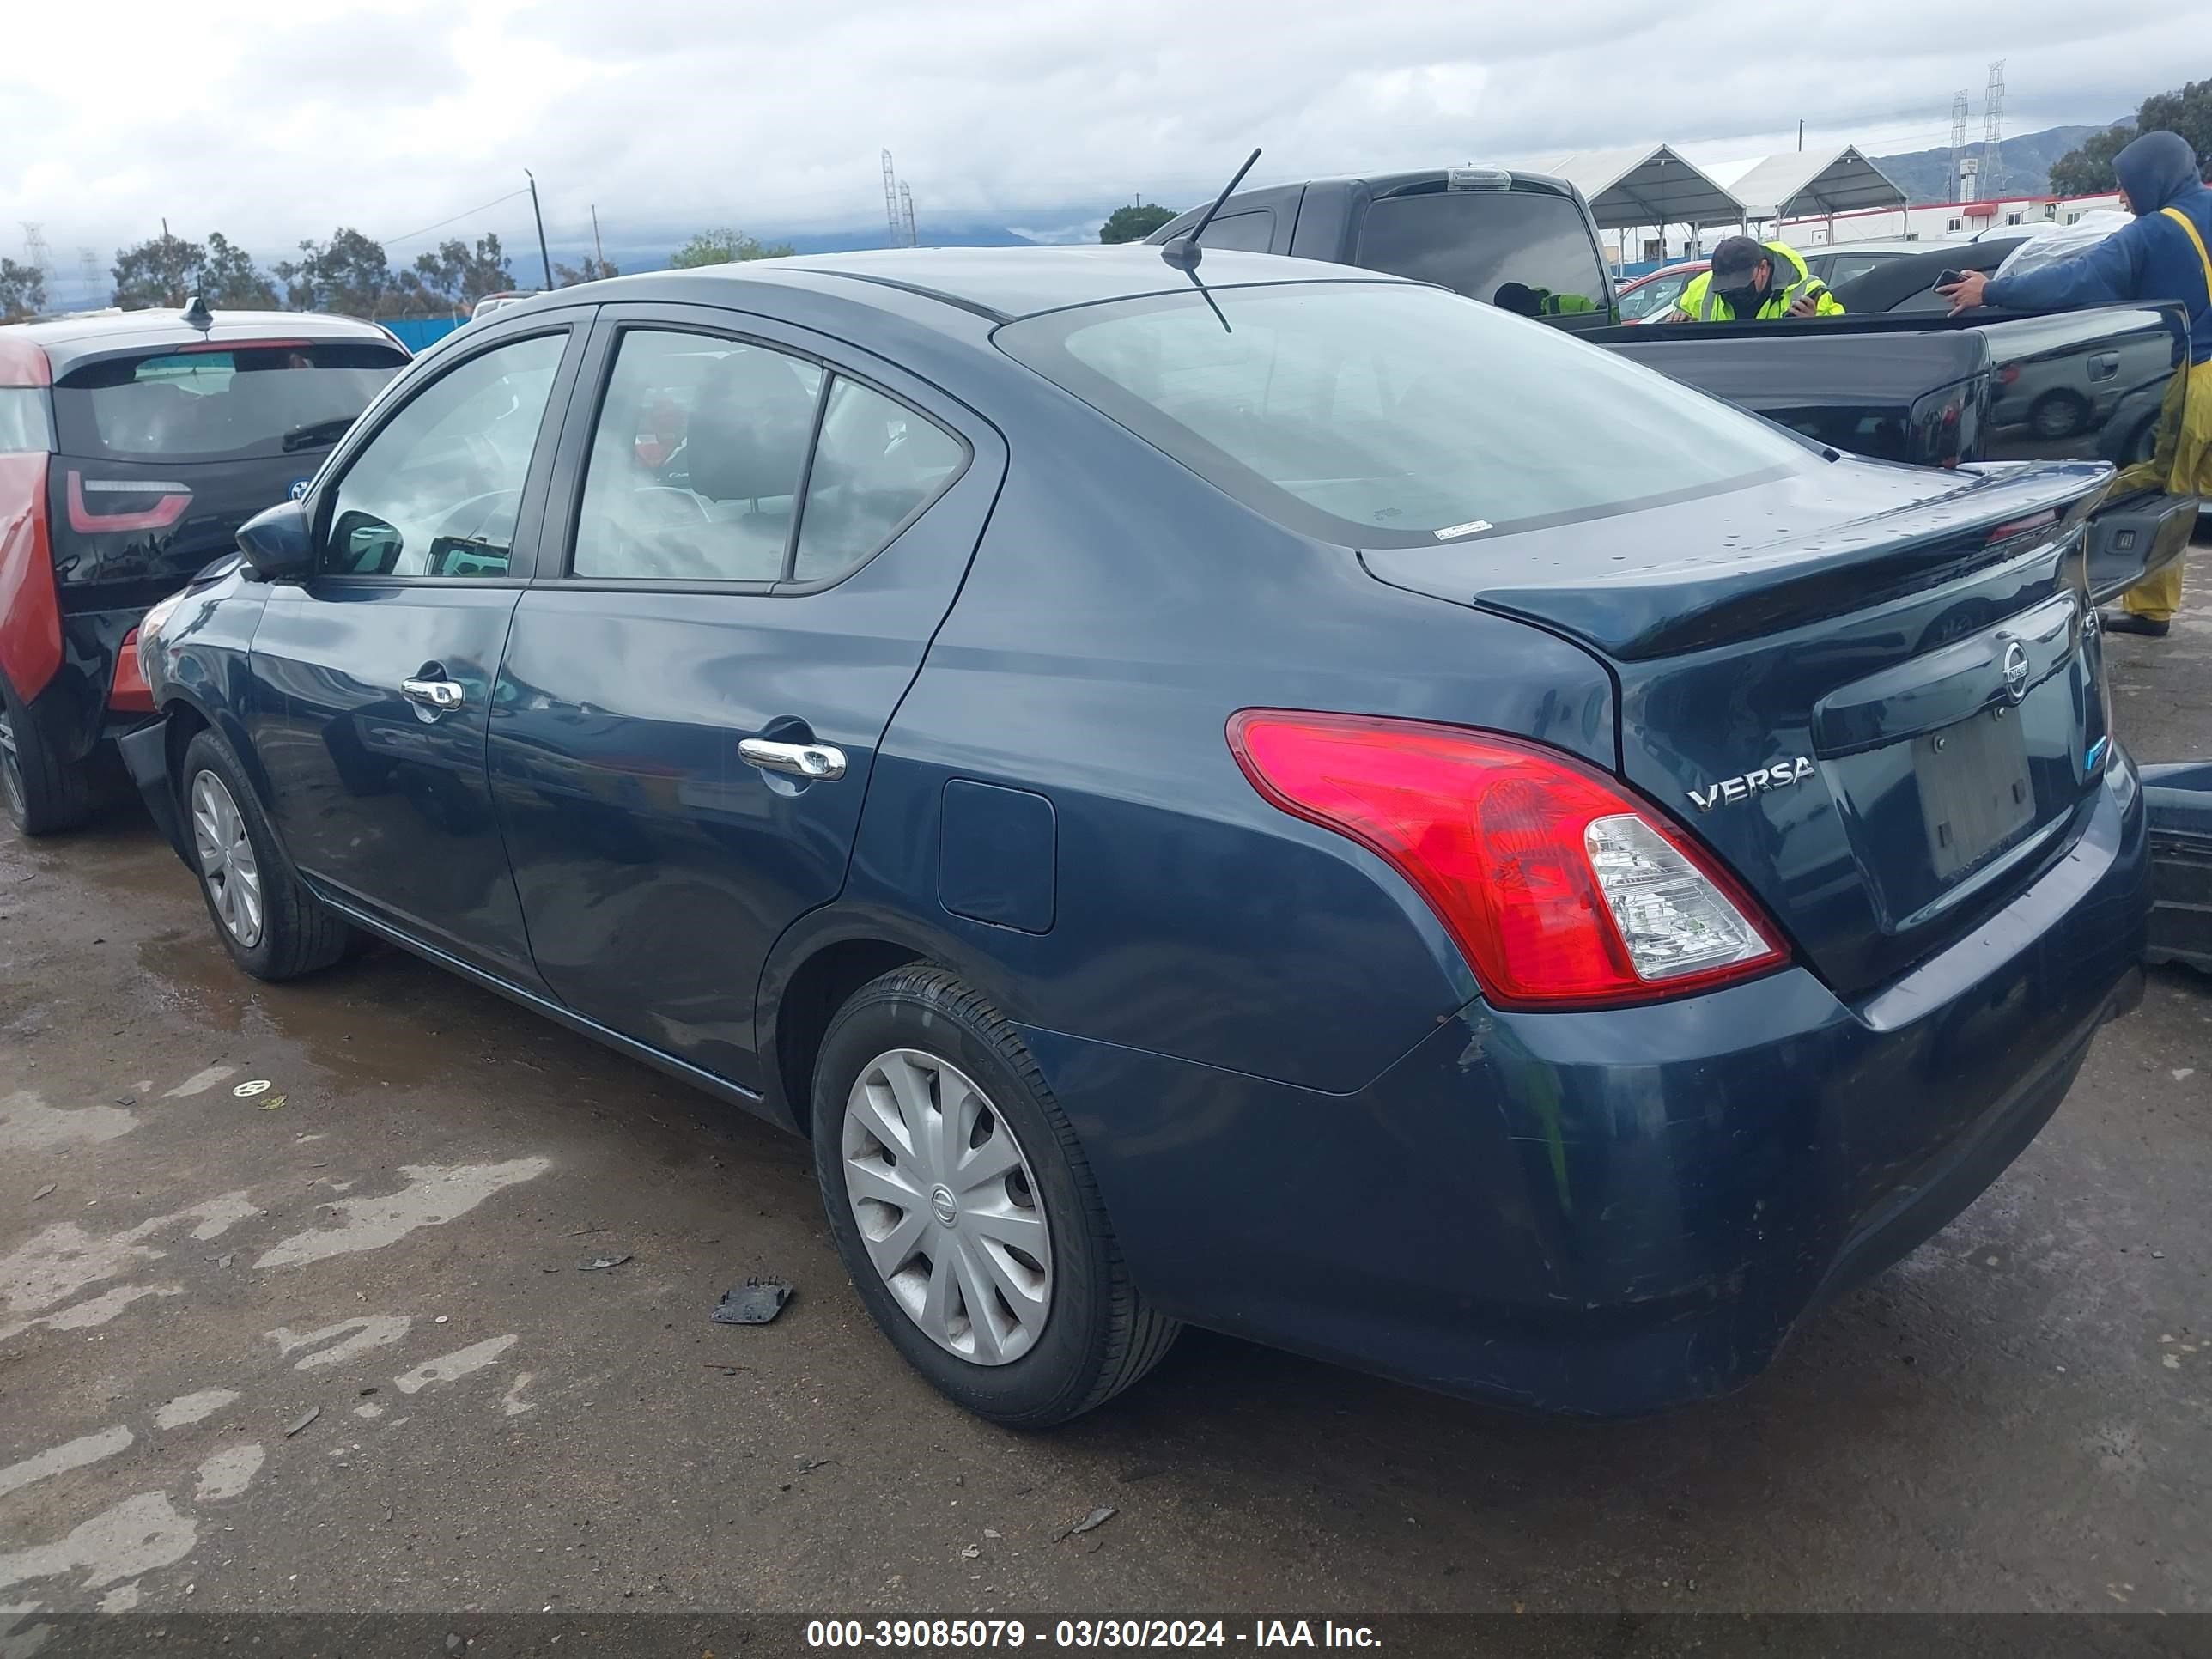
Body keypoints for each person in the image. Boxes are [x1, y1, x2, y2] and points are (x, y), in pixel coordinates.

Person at [1941, 130, 2212, 638]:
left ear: (2153, 179)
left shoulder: (2155, 232)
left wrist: (1992, 289)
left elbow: (2078, 280)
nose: (2124, 198)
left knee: (2167, 482)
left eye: (2126, 186)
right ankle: (2152, 610)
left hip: (2198, 380)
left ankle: (2151, 609)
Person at [1668, 235, 1844, 322]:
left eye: (1741, 284)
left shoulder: (1810, 291)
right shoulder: (1702, 286)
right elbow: (1678, 315)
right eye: (1726, 289)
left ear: (1763, 267)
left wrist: (1815, 325)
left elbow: (1841, 341)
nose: (1735, 293)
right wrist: (1679, 320)